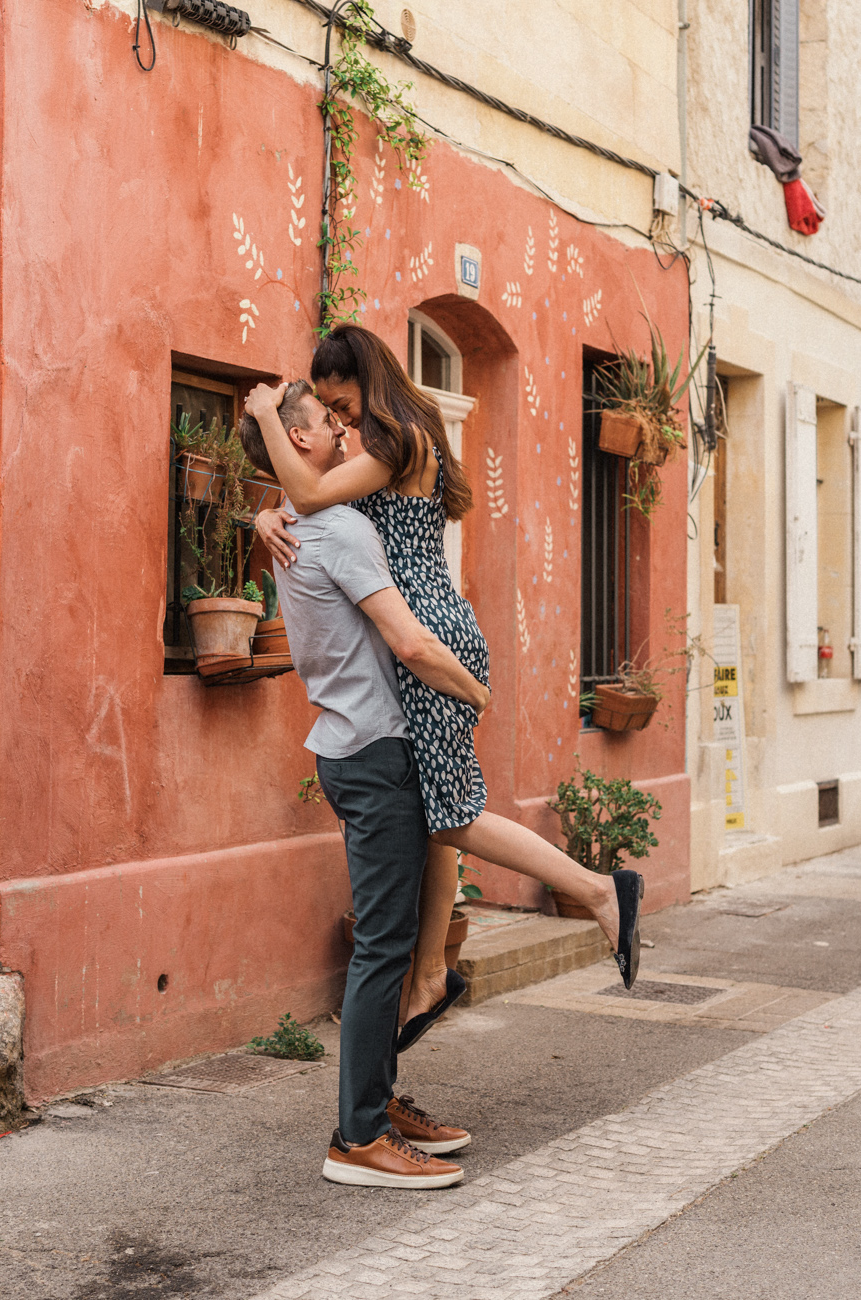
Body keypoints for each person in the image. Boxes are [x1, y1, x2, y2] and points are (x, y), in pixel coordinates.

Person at [247, 324, 643, 1050]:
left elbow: (307, 492)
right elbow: (304, 502)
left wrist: (269, 414)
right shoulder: (398, 435)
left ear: (368, 381)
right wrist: (263, 510)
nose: (342, 421)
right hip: (432, 625)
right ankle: (430, 972)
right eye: (330, 412)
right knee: (437, 806)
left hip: (425, 636)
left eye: (343, 404)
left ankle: (596, 890)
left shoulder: (395, 441)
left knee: (454, 814)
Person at [240, 380, 483, 1188]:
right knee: (385, 946)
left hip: (358, 749)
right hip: (376, 754)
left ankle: (378, 1104)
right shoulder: (338, 530)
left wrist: (265, 505)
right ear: (301, 442)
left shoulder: (307, 523)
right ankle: (359, 1139)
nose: (347, 428)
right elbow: (408, 642)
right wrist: (475, 691)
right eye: (329, 421)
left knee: (400, 940)